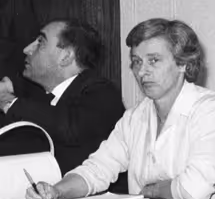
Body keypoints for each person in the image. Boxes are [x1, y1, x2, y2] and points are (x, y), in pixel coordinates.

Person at [25, 18, 215, 199]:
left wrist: (149, 191)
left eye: (153, 60)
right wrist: (56, 191)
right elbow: (97, 169)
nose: (142, 71)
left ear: (183, 64)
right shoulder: (135, 118)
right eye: (136, 62)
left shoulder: (210, 109)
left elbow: (194, 190)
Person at [0, 19, 124, 174]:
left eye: (40, 42)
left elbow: (67, 126)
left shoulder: (103, 93)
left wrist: (8, 101)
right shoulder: (39, 94)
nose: (27, 49)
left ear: (66, 57)